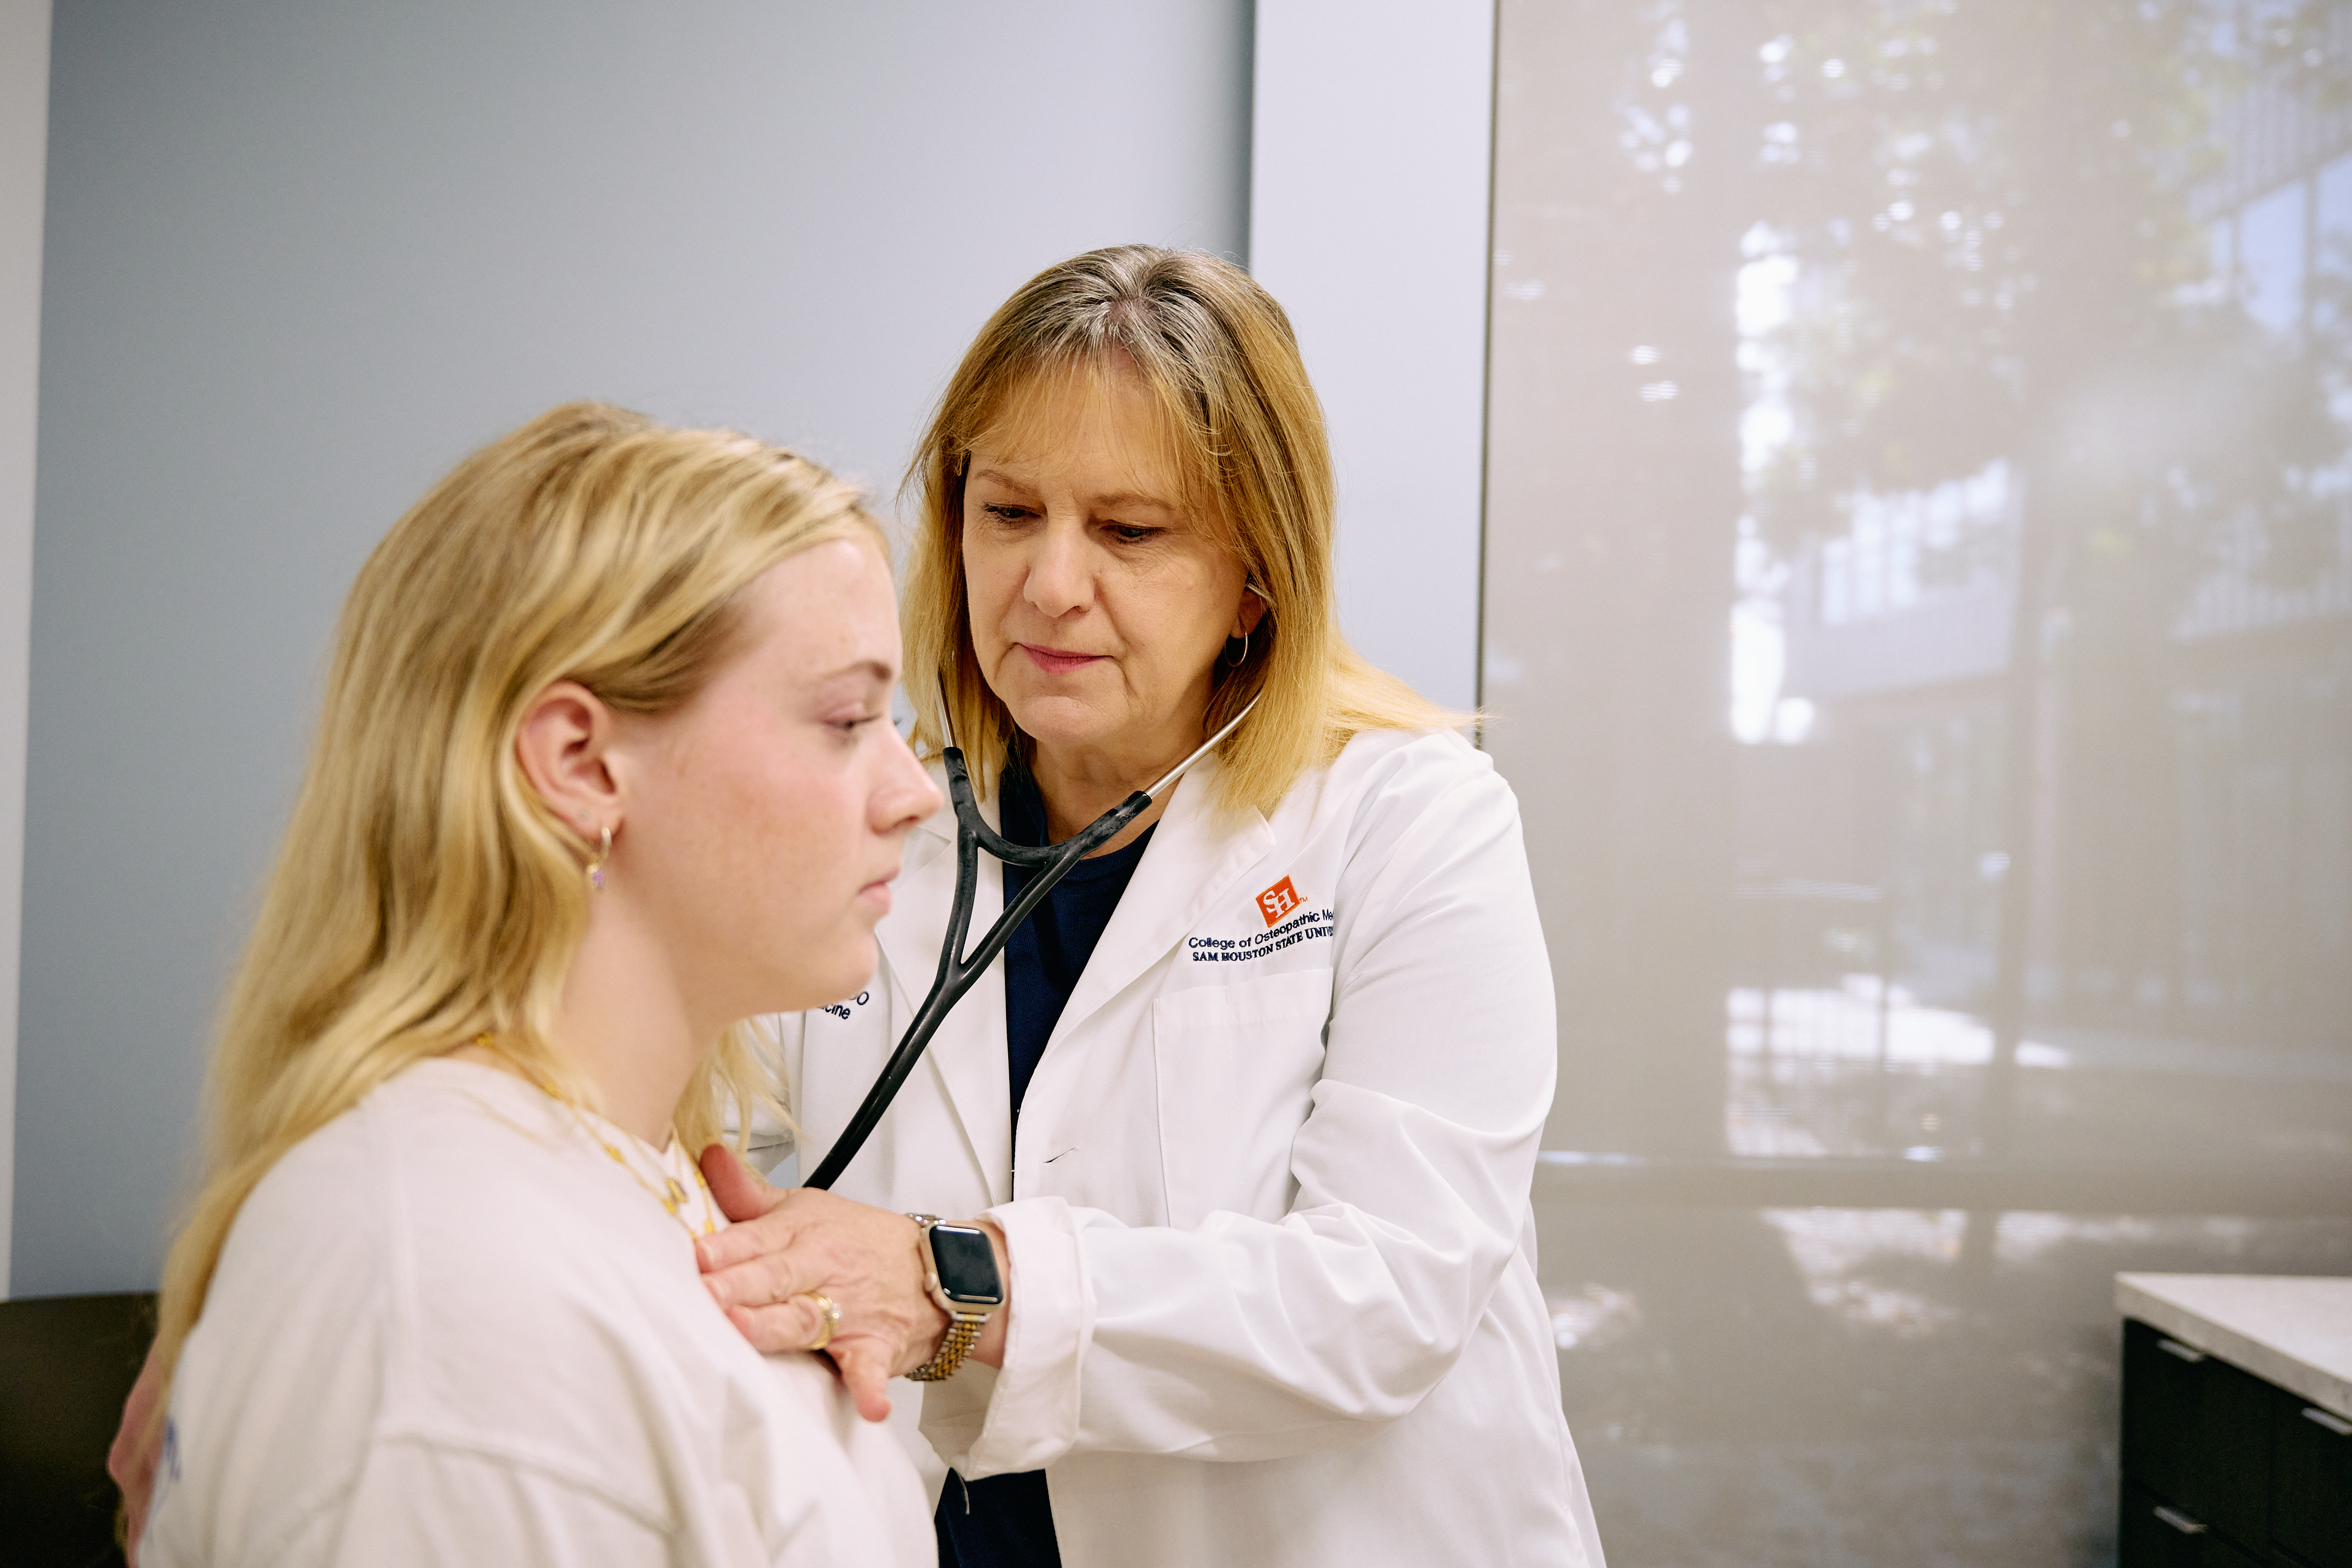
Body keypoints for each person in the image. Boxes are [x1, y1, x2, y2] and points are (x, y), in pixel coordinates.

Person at [692, 247, 1610, 1567]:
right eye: (1009, 512)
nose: (1052, 584)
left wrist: (960, 1284)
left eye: (1130, 532)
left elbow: (1387, 1297)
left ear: (1258, 574)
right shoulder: (867, 810)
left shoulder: (1412, 821)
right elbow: (668, 1113)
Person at [125, 402, 941, 1565]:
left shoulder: (632, 1178)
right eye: (849, 718)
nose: (913, 792)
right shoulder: (443, 1302)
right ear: (580, 763)